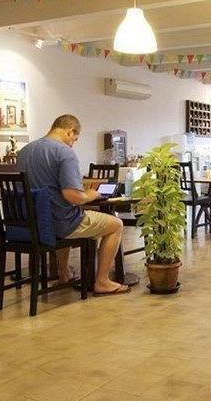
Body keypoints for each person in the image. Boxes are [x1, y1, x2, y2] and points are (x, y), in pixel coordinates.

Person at [16, 114, 130, 296]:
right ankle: (102, 281)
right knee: (116, 224)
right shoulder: (64, 153)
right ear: (71, 131)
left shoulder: (24, 151)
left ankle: (64, 274)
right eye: (75, 139)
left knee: (64, 212)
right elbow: (73, 196)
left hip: (32, 224)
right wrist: (92, 194)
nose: (73, 144)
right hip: (60, 224)